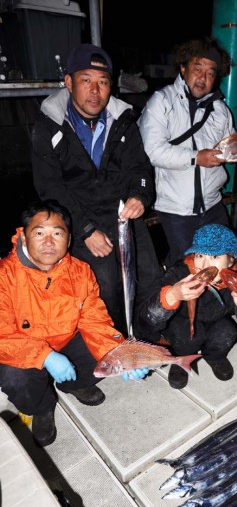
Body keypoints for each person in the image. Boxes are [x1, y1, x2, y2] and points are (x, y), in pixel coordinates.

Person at [31, 43, 162, 337]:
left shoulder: (124, 120)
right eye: (86, 80)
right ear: (68, 82)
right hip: (78, 217)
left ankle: (151, 337)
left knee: (152, 277)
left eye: (103, 82)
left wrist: (140, 195)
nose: (95, 90)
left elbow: (140, 169)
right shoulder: (48, 125)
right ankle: (113, 342)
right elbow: (49, 188)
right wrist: (87, 230)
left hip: (121, 213)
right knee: (106, 285)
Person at [0, 200, 149, 447]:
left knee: (105, 360)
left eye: (57, 233)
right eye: (39, 233)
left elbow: (95, 320)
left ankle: (73, 385)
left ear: (68, 241)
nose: (49, 242)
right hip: (26, 350)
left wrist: (124, 354)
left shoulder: (80, 271)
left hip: (66, 339)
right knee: (15, 378)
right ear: (24, 238)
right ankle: (42, 407)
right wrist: (45, 356)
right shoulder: (4, 276)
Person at [138, 36, 237, 268]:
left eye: (211, 73)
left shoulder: (220, 110)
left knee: (226, 262)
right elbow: (153, 152)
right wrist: (196, 157)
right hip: (176, 208)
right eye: (197, 69)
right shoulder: (162, 101)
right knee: (191, 267)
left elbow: (229, 150)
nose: (204, 78)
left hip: (212, 204)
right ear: (183, 67)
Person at [136, 224, 237, 389]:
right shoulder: (179, 274)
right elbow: (144, 322)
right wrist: (172, 295)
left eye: (215, 256)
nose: (204, 264)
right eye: (200, 255)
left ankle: (215, 357)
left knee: (228, 332)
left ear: (231, 260)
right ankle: (181, 359)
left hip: (216, 319)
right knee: (186, 336)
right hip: (183, 322)